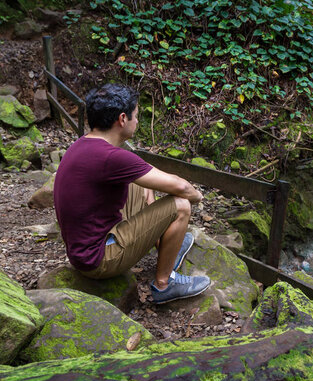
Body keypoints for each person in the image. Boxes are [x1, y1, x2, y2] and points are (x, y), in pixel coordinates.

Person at [54, 83, 210, 304]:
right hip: (98, 259)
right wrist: (196, 197)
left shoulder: (83, 145)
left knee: (141, 181)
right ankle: (165, 284)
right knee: (181, 204)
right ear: (122, 119)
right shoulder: (111, 157)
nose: (137, 121)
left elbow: (145, 174)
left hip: (86, 245)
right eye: (136, 116)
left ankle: (164, 243)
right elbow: (182, 187)